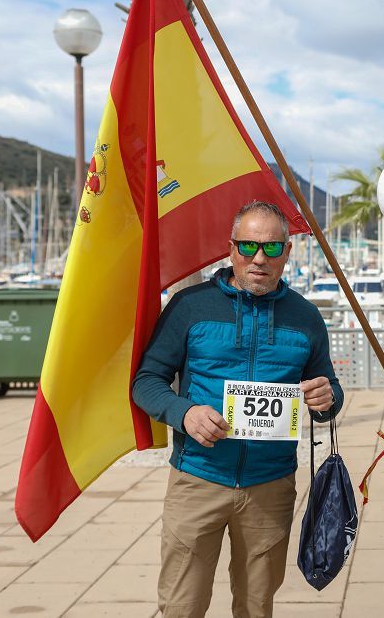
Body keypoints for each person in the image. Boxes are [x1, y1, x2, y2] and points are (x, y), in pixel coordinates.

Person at [133, 200, 343, 618]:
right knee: (181, 606)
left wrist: (327, 399)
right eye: (248, 247)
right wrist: (184, 413)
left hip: (271, 486)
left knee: (256, 608)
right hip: (198, 479)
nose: (259, 259)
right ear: (230, 249)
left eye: (271, 248)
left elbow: (327, 389)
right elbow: (146, 382)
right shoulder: (190, 307)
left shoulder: (306, 317)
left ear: (287, 252)